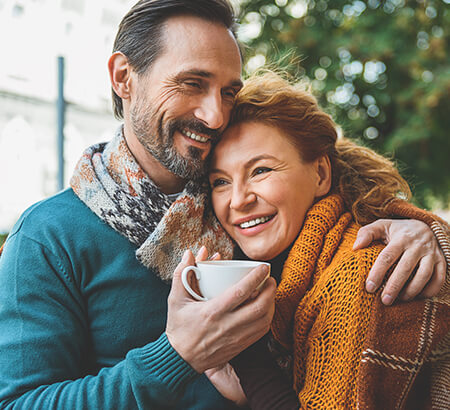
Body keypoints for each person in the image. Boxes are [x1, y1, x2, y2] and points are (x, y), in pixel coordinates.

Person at [0, 0, 446, 408]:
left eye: (229, 92)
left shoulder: (244, 219)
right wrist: (176, 356)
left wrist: (419, 229)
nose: (215, 115)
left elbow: (332, 187)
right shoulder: (48, 236)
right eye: (191, 83)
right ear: (123, 78)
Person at [205, 71, 450, 408]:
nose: (238, 200)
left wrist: (247, 359)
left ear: (320, 174)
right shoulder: (289, 271)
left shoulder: (360, 273)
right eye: (220, 182)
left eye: (260, 170)